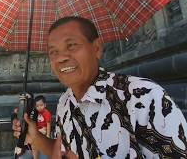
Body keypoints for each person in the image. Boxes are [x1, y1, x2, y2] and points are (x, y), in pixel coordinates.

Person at [13, 16, 187, 158]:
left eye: (71, 45)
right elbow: (62, 152)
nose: (61, 58)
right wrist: (36, 137)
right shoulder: (64, 102)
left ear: (96, 48)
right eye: (53, 52)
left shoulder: (143, 96)